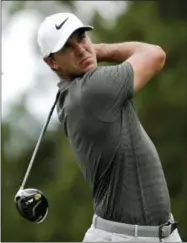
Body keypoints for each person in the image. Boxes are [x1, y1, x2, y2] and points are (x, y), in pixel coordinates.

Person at [37, 12, 182, 242]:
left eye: (82, 37)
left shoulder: (75, 93)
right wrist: (100, 49)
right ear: (51, 61)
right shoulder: (93, 89)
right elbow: (155, 54)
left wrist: (89, 50)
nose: (81, 49)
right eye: (67, 46)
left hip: (160, 233)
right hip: (124, 237)